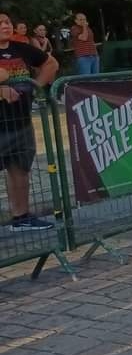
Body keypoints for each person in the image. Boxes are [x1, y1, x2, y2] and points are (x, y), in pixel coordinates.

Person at [0, 12, 59, 231]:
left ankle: (21, 217)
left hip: (20, 121)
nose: (5, 25)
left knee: (20, 170)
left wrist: (35, 87)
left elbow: (51, 64)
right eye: (0, 23)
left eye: (7, 21)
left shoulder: (21, 49)